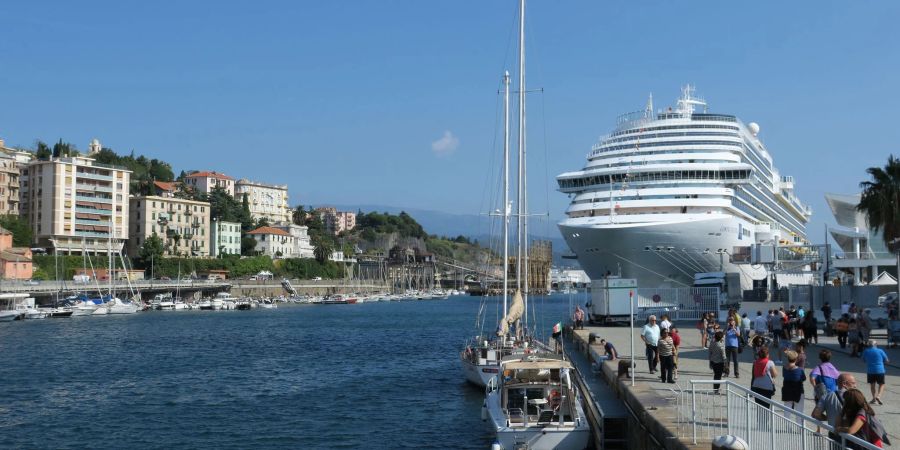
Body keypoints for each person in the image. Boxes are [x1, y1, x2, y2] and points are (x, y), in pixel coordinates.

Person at [861, 339, 889, 405]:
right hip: (880, 370)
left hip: (870, 371)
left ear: (869, 345)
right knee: (881, 384)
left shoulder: (866, 351)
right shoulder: (880, 351)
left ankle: (873, 398)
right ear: (876, 345)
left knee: (872, 385)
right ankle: (878, 396)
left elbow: (863, 360)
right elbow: (887, 360)